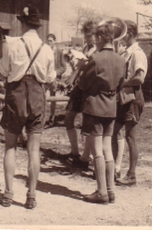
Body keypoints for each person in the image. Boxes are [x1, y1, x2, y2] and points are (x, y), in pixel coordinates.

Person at [0, 6, 56, 209]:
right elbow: (50, 78)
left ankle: (8, 193)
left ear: (23, 23)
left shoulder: (11, 45)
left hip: (16, 95)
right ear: (37, 26)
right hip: (37, 96)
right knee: (33, 149)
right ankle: (31, 195)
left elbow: (3, 71)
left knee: (10, 146)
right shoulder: (47, 49)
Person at [79, 21, 126, 204]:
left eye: (95, 38)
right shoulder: (121, 59)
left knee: (97, 150)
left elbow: (83, 84)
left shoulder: (96, 58)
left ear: (99, 38)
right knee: (108, 149)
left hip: (95, 107)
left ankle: (101, 192)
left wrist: (82, 68)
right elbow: (121, 84)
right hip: (111, 108)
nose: (94, 41)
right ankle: (111, 190)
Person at [112, 20, 148, 186]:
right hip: (123, 97)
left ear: (131, 34)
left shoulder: (137, 53)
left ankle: (132, 175)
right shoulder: (126, 52)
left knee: (130, 137)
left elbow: (139, 78)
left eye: (124, 34)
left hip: (132, 97)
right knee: (114, 132)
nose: (121, 37)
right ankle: (113, 170)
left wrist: (122, 83)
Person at [63, 21, 97, 171]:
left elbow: (85, 66)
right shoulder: (86, 47)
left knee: (88, 124)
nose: (87, 39)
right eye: (85, 36)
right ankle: (75, 151)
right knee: (68, 117)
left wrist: (76, 72)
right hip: (80, 85)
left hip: (89, 88)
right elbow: (79, 65)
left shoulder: (98, 50)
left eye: (89, 36)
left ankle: (86, 156)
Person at [44, 33, 66, 128]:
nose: (49, 42)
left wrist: (56, 73)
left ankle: (52, 118)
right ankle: (42, 118)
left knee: (53, 99)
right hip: (45, 79)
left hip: (54, 79)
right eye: (48, 40)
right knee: (43, 98)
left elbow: (64, 67)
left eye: (51, 41)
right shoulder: (44, 51)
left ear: (55, 41)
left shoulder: (59, 51)